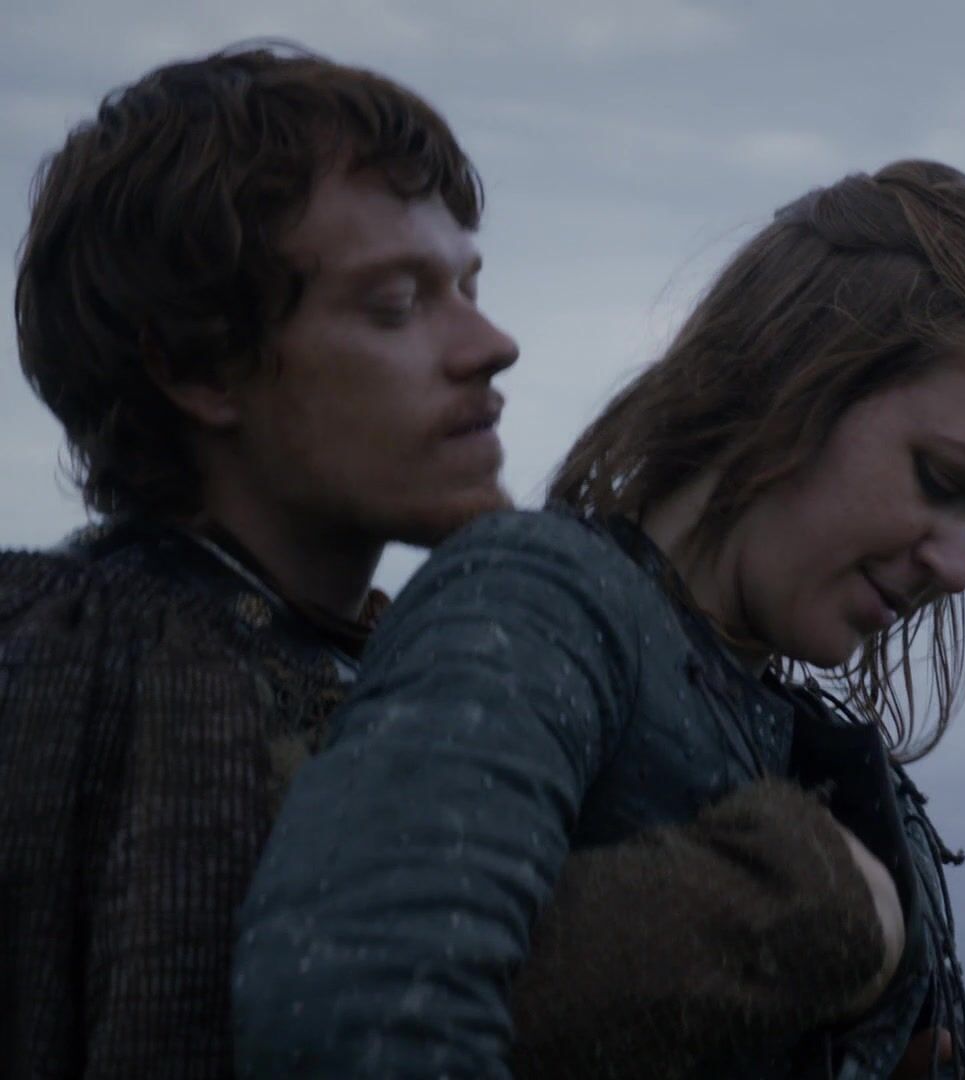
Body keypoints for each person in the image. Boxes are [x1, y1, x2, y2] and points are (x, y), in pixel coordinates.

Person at [1, 44, 891, 1079]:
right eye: (396, 303)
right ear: (197, 366)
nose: (491, 344)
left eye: (469, 285)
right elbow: (287, 1017)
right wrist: (811, 897)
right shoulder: (107, 670)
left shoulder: (353, 652)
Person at [233, 159, 965, 1079]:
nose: (959, 568)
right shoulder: (544, 604)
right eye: (944, 480)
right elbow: (354, 1007)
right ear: (789, 379)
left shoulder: (786, 726)